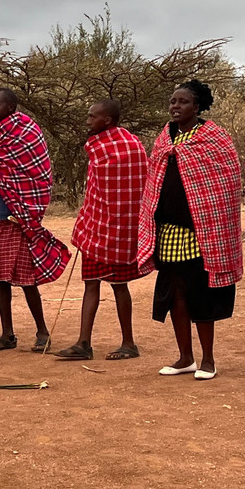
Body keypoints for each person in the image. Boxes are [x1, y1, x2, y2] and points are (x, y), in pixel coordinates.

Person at [137, 80, 242, 379]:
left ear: (196, 107)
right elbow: (154, 179)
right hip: (168, 230)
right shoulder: (164, 138)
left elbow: (224, 183)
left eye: (182, 102)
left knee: (201, 294)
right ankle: (185, 357)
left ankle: (208, 359)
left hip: (202, 231)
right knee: (175, 294)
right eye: (172, 101)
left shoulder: (214, 138)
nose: (175, 106)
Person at [0, 88, 71, 353]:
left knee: (26, 276)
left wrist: (24, 209)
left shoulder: (26, 132)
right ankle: (7, 334)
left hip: (16, 215)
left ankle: (42, 331)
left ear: (10, 108)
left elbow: (36, 174)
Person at [56, 99, 151, 362]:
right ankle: (83, 343)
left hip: (115, 228)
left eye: (92, 117)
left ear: (107, 120)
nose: (88, 121)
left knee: (118, 286)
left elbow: (136, 190)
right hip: (102, 227)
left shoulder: (124, 147)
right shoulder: (131, 145)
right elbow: (96, 191)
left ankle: (128, 343)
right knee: (92, 283)